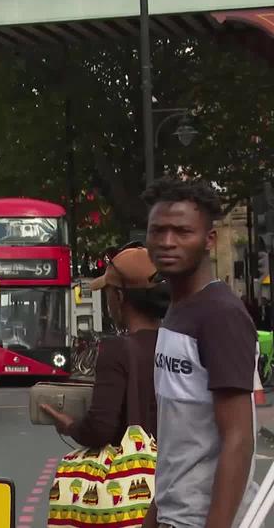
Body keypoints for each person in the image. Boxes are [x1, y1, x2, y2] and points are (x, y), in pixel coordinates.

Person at [140, 178, 259, 528]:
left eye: (182, 231)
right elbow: (180, 444)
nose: (167, 242)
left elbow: (239, 438)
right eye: (157, 231)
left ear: (210, 240)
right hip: (174, 515)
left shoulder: (220, 315)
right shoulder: (179, 311)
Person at [41, 243, 167, 448]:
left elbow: (100, 430)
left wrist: (70, 425)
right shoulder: (178, 343)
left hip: (136, 474)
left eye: (107, 292)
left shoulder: (117, 351)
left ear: (119, 296)